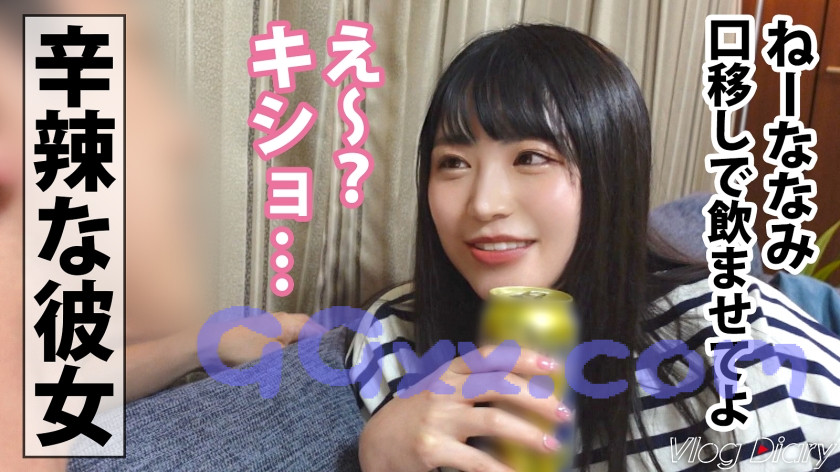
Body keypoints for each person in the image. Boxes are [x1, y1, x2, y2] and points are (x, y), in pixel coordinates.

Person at [346, 24, 840, 472]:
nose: (484, 204)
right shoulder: (394, 337)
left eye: (530, 157)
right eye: (454, 162)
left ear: (611, 174)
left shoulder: (733, 335)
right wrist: (379, 459)